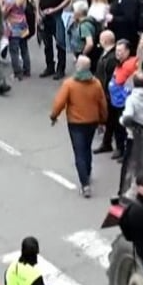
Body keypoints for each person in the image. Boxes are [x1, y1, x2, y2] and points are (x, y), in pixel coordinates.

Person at [49, 55, 108, 198]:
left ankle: (85, 184)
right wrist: (102, 120)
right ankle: (87, 172)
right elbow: (102, 104)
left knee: (79, 152)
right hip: (92, 121)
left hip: (76, 123)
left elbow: (59, 102)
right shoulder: (96, 84)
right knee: (87, 147)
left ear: (78, 67)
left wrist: (54, 116)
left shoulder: (69, 84)